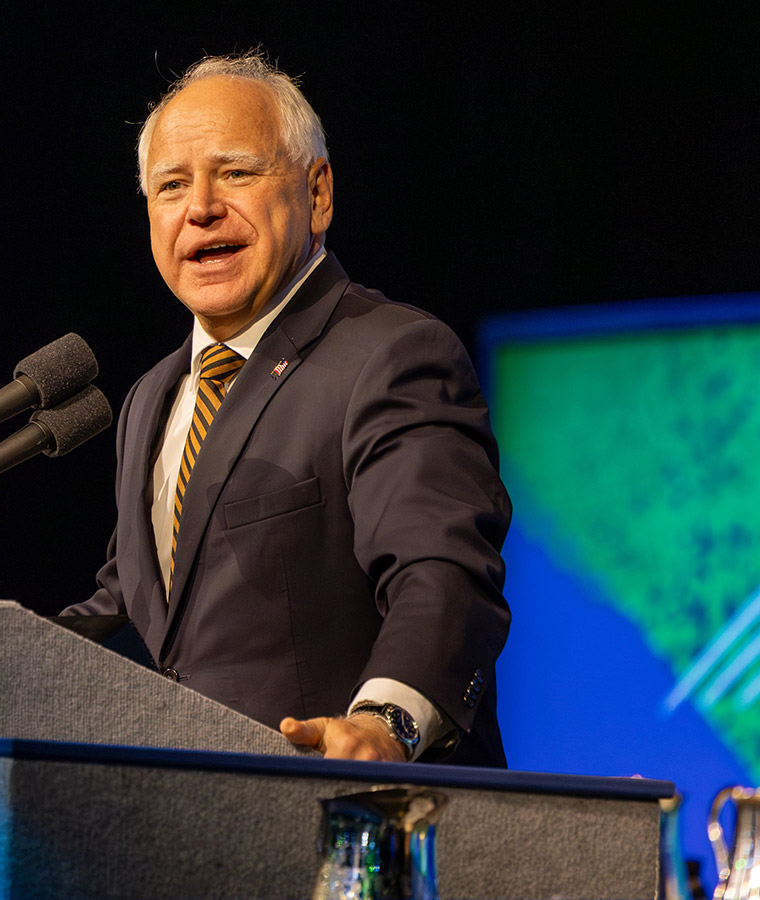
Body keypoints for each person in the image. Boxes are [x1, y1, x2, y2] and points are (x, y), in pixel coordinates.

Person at [61, 53, 511, 765]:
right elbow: (136, 607)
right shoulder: (153, 395)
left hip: (355, 820)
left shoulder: (392, 354)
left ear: (318, 193)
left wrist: (384, 723)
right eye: (171, 184)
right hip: (183, 829)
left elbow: (442, 572)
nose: (200, 206)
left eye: (235, 172)